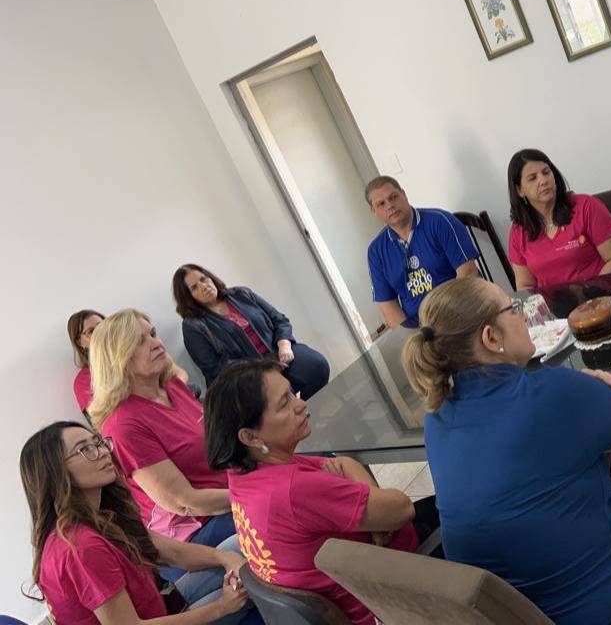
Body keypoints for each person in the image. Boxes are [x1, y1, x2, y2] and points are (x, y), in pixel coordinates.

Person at [402, 277, 611, 625]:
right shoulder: (548, 393)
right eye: (514, 309)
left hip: (523, 613)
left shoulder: (436, 416)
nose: (523, 316)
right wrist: (594, 388)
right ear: (491, 338)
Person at [204, 358, 439, 625]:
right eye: (284, 403)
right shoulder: (292, 489)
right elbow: (402, 509)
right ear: (251, 437)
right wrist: (377, 520)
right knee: (454, 510)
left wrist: (371, 516)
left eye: (292, 393)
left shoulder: (243, 475)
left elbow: (345, 463)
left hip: (363, 574)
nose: (301, 404)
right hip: (391, 594)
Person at [19, 421, 259, 624]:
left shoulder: (103, 514)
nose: (103, 452)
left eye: (98, 443)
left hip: (160, 608)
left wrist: (225, 558)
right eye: (85, 449)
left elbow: (174, 552)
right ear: (55, 472)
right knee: (254, 590)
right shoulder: (81, 546)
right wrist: (221, 607)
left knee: (239, 547)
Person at [89, 309, 239, 589]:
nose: (156, 343)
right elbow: (184, 502)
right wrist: (253, 490)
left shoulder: (170, 386)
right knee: (289, 506)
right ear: (117, 358)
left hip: (228, 495)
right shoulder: (123, 425)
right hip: (196, 532)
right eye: (140, 341)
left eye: (153, 334)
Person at [173, 264, 329, 399]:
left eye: (204, 279)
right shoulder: (193, 326)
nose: (204, 286)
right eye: (194, 288)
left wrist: (284, 344)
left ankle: (311, 411)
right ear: (188, 297)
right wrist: (264, 367)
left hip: (277, 351)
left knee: (317, 366)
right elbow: (216, 368)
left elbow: (279, 319)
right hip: (247, 376)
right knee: (281, 396)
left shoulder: (241, 294)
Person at [506, 148, 611, 289]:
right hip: (553, 303)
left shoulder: (586, 206)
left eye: (546, 172)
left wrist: (592, 292)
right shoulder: (518, 231)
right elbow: (525, 286)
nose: (543, 180)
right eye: (532, 178)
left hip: (602, 294)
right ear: (519, 190)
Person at [365, 175, 479, 328]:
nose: (390, 205)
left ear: (403, 194)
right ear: (374, 210)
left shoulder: (440, 221)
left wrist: (446, 322)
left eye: (393, 197)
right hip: (419, 327)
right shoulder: (376, 251)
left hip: (461, 311)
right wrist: (412, 336)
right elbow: (387, 305)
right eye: (381, 204)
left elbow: (468, 272)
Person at [68, 309, 104, 414]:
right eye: (91, 331)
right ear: (80, 343)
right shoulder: (84, 381)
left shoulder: (134, 358)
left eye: (102, 326)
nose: (100, 333)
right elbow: (99, 420)